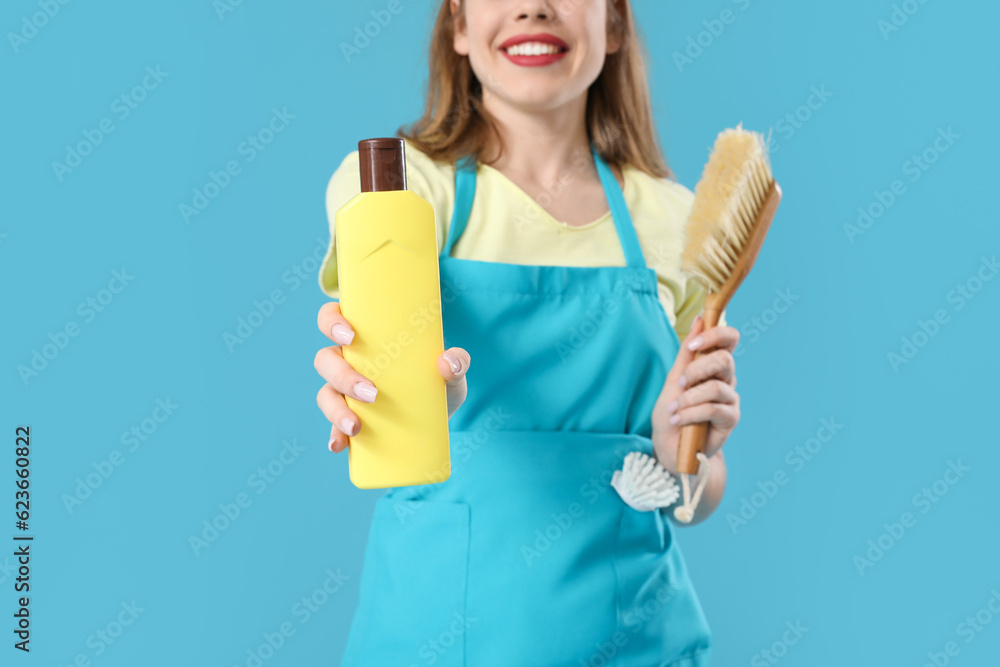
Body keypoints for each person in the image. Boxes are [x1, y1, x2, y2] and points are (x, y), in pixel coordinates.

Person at [314, 1, 742, 664]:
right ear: (458, 25)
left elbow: (696, 492)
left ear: (615, 22)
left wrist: (683, 452)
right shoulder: (402, 187)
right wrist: (406, 398)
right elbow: (386, 360)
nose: (533, 6)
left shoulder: (672, 220)